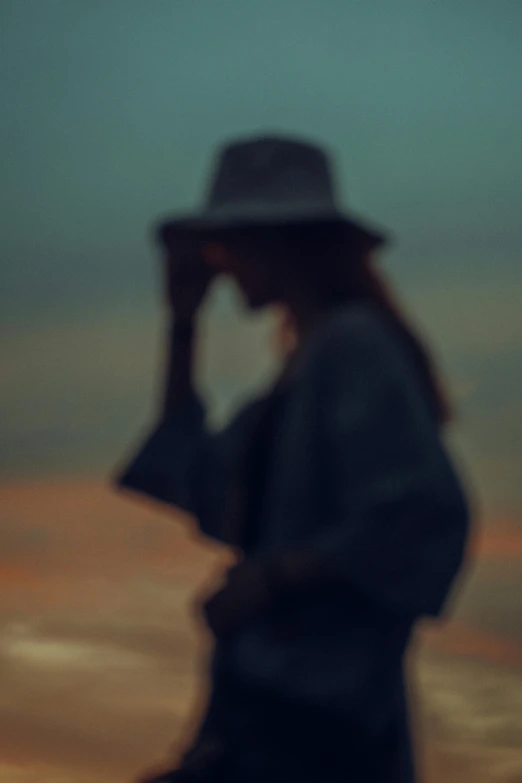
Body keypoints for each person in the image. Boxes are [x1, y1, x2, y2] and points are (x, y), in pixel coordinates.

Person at [114, 135, 472, 783]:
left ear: (278, 242)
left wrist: (272, 580)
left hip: (315, 728)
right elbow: (194, 472)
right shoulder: (301, 377)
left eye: (230, 246)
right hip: (270, 722)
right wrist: (183, 321)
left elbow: (423, 513)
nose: (223, 266)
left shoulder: (352, 349)